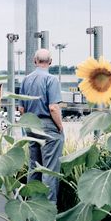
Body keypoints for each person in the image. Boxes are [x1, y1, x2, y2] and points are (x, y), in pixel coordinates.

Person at [18, 48, 64, 202]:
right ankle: (48, 208)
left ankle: (32, 205)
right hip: (49, 128)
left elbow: (21, 109)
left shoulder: (25, 80)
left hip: (31, 126)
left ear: (34, 61)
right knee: (49, 170)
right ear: (50, 62)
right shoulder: (52, 80)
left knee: (34, 168)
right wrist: (60, 127)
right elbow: (53, 107)